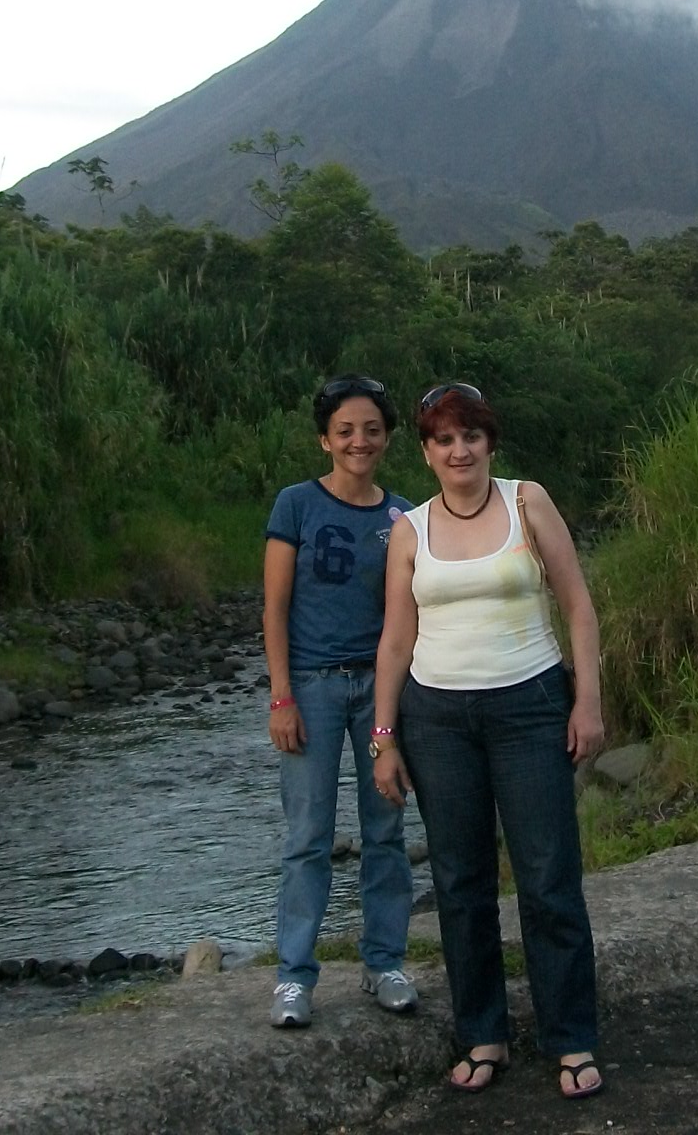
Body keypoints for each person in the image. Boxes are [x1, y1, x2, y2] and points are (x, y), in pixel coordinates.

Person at [369, 382, 607, 1101]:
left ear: (489, 442)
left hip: (529, 706)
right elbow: (395, 640)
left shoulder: (526, 502)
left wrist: (588, 702)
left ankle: (572, 1038)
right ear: (427, 452)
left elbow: (578, 605)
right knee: (461, 883)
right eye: (444, 439)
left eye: (470, 435)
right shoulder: (410, 530)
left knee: (547, 877)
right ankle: (483, 1033)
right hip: (437, 720)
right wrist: (385, 737)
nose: (459, 449)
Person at [262, 373, 419, 1029]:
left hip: (380, 689)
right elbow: (274, 607)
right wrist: (281, 698)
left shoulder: (403, 517)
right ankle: (294, 976)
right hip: (314, 686)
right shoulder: (296, 504)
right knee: (308, 836)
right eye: (346, 430)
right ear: (325, 438)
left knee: (385, 831)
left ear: (387, 438)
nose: (360, 441)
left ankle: (384, 962)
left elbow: (407, 619)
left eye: (372, 430)